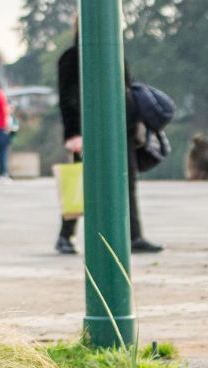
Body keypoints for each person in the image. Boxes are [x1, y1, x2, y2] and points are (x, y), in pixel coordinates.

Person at [55, 18, 163, 254]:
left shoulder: (117, 54)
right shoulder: (72, 58)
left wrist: (136, 125)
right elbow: (66, 98)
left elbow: (127, 89)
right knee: (82, 183)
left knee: (128, 182)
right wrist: (73, 133)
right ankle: (65, 235)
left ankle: (133, 235)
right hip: (87, 130)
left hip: (123, 129)